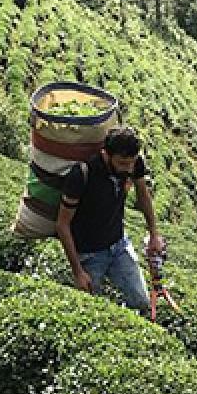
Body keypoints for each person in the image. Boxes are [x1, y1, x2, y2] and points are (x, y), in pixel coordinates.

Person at [56, 126, 165, 313]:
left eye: (130, 163)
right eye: (122, 163)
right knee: (89, 310)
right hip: (89, 254)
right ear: (106, 154)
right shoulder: (82, 174)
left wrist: (154, 233)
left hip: (119, 246)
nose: (128, 168)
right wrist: (78, 272)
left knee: (141, 303)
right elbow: (62, 224)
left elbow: (143, 195)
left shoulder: (134, 163)